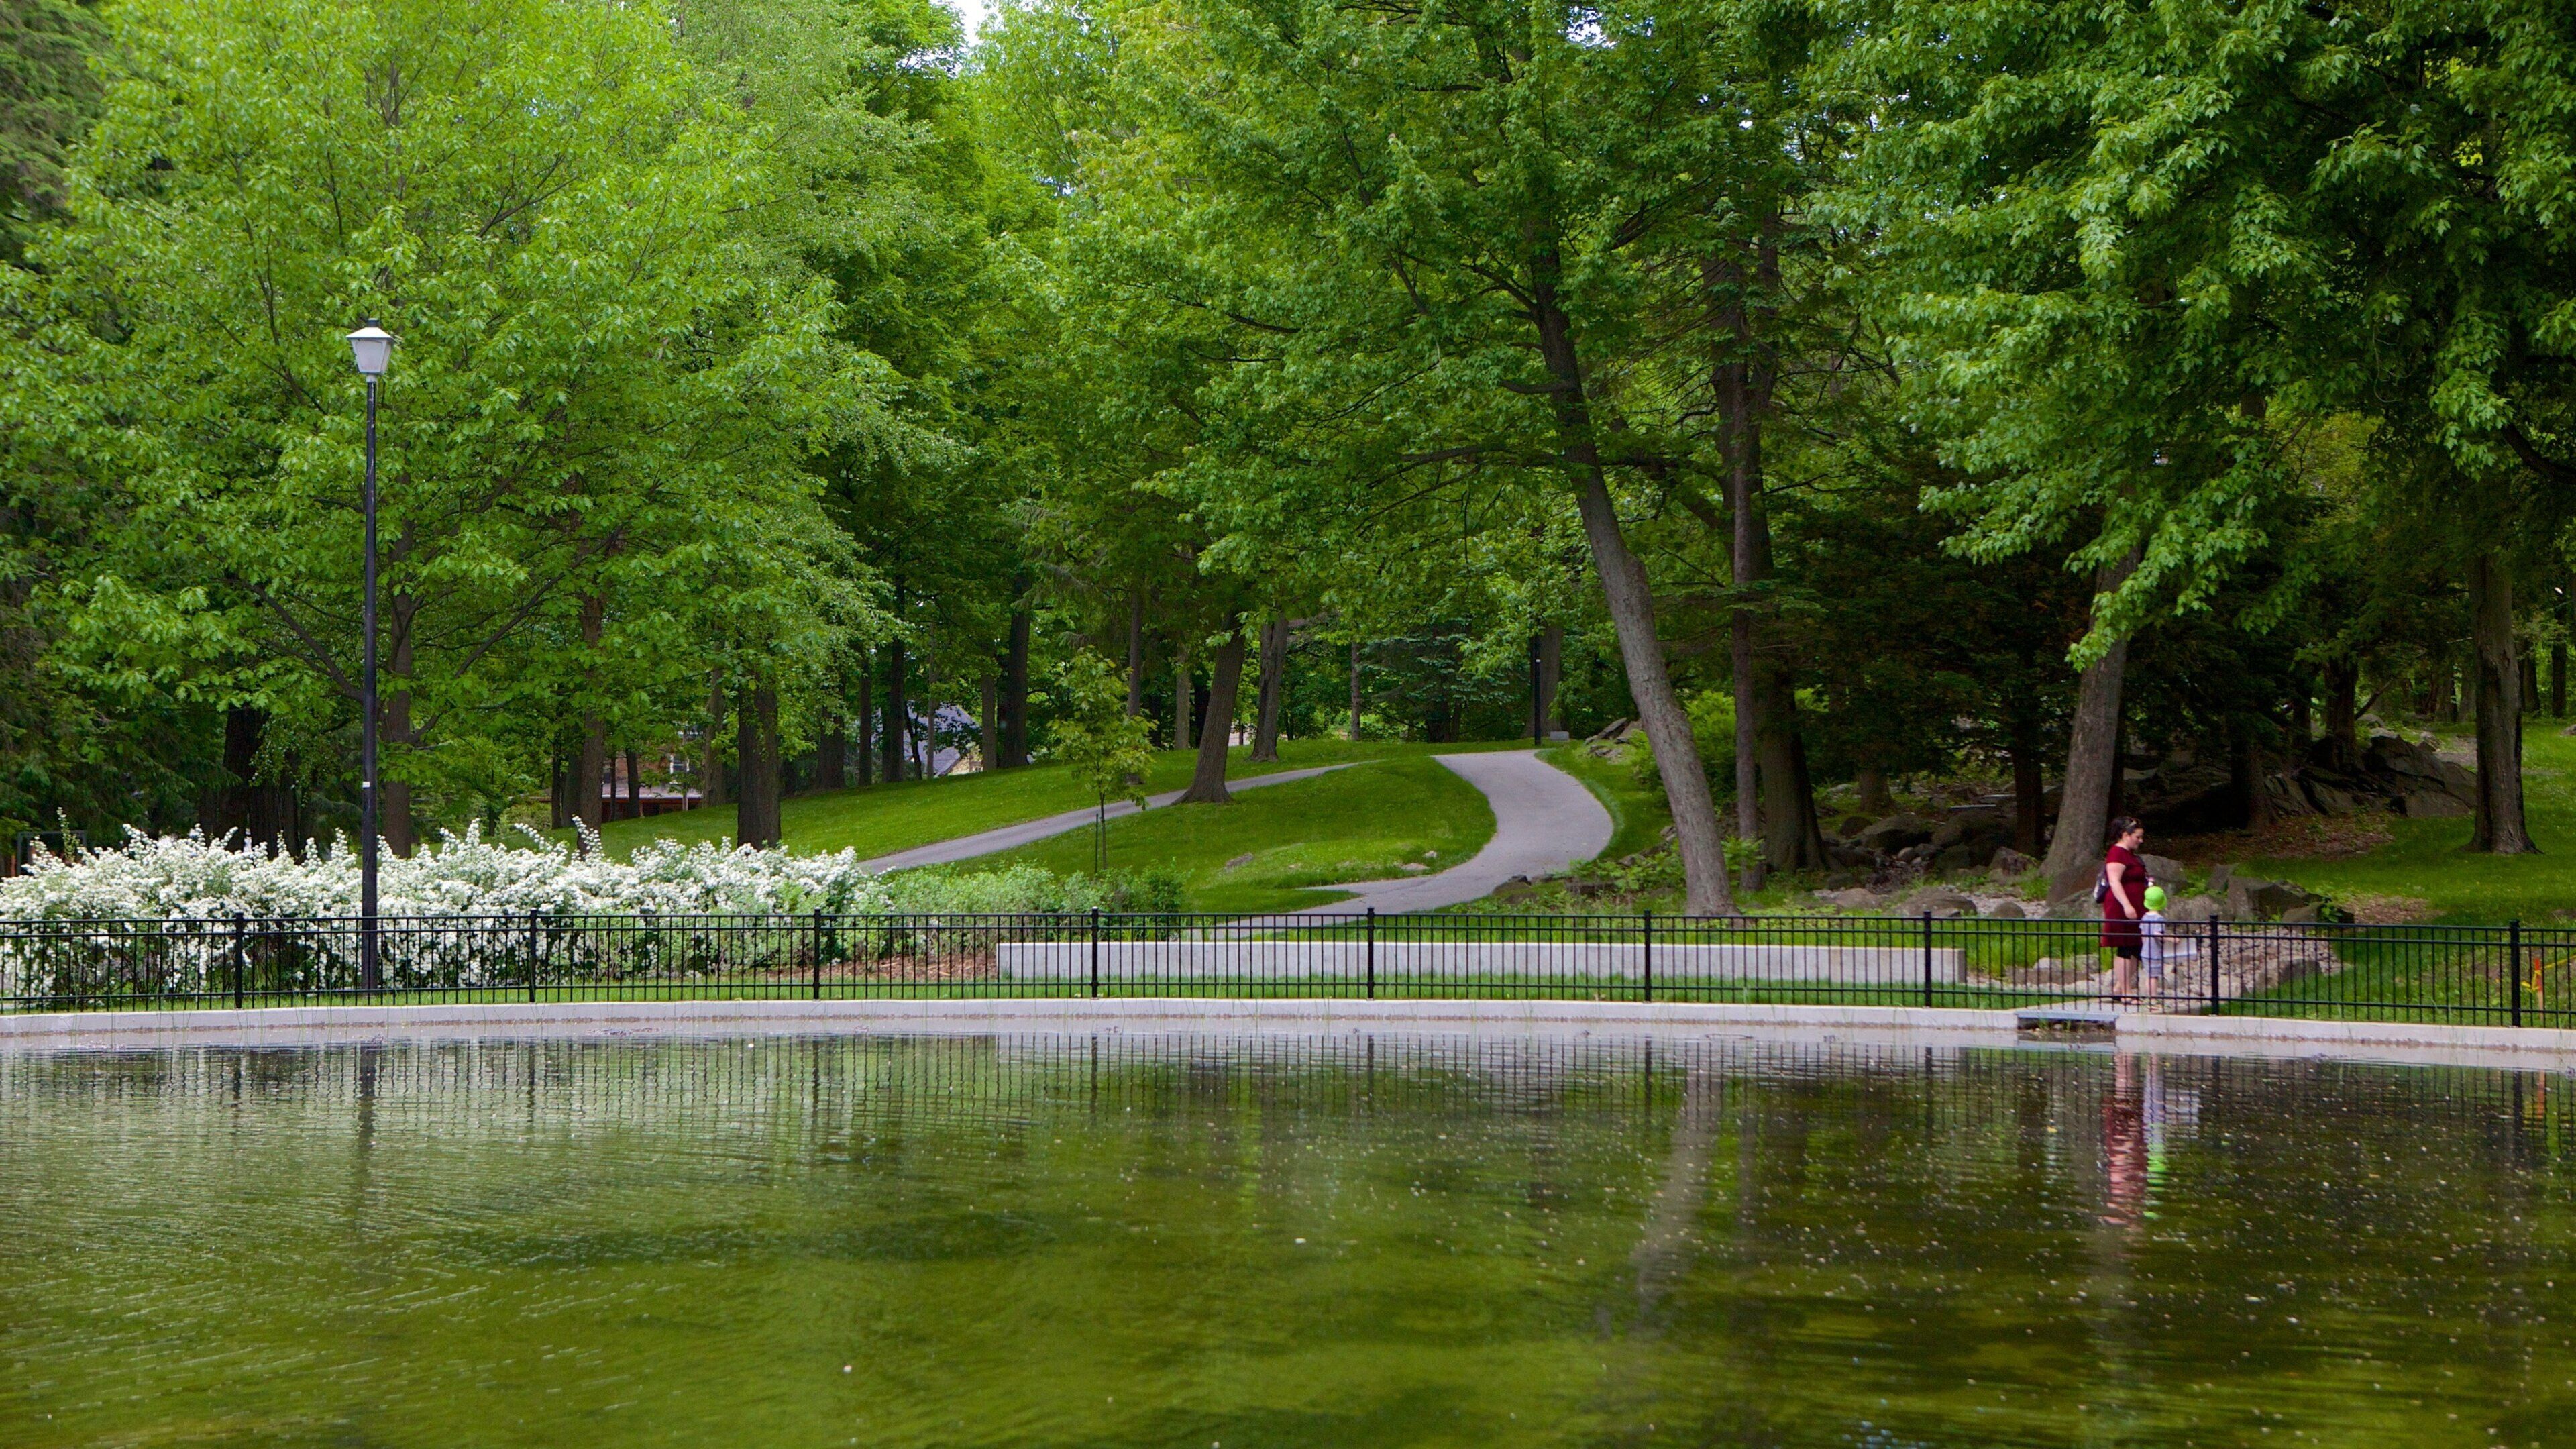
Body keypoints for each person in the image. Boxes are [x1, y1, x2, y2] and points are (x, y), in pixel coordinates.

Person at [2099, 816, 2149, 1004]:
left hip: (2136, 907)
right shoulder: (2117, 853)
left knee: (2136, 946)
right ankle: (2126, 992)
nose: (2140, 840)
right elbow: (2114, 881)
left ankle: (2120, 988)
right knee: (2125, 946)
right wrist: (2127, 905)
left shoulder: (2130, 854)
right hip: (2122, 907)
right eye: (2137, 837)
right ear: (2125, 835)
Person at [2138, 885, 2169, 1006]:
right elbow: (2157, 934)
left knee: (2149, 975)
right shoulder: (2159, 919)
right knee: (2154, 977)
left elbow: (2143, 934)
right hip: (2155, 952)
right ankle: (2153, 999)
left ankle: (2149, 997)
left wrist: (2145, 946)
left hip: (2145, 951)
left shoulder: (2145, 917)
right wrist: (2172, 939)